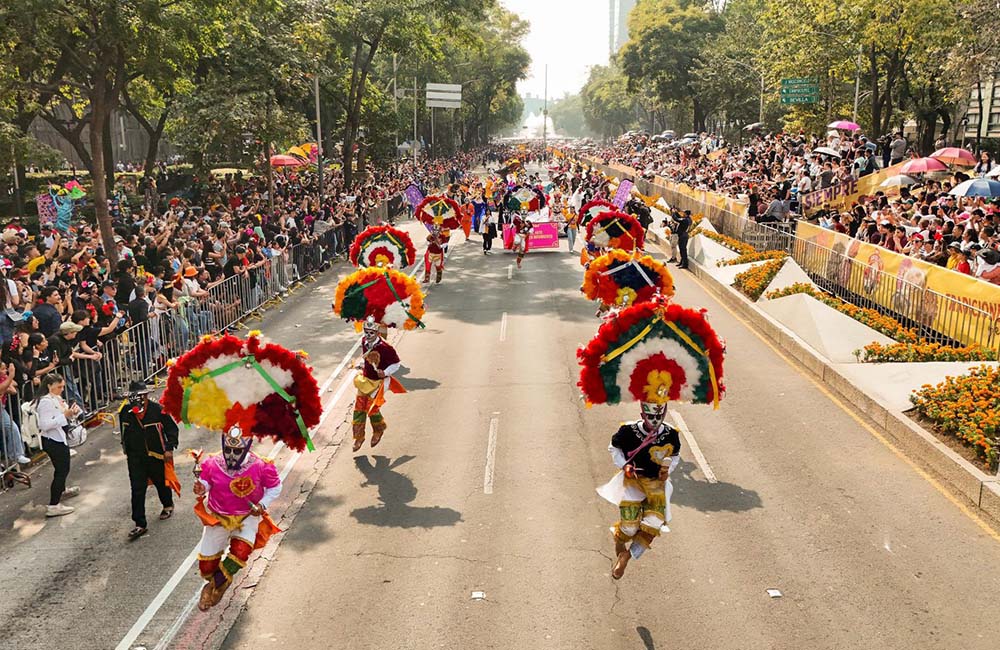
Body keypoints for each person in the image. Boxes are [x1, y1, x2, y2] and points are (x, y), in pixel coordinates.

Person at [193, 426, 282, 611]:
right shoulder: (212, 463)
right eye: (228, 450)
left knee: (240, 552)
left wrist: (262, 505)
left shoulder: (261, 466)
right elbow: (206, 482)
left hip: (246, 518)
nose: (232, 455)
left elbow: (275, 487)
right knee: (206, 567)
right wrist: (201, 487)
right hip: (218, 517)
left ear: (247, 447)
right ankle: (219, 582)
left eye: (237, 451)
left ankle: (212, 587)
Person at [606, 401, 681, 579]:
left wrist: (667, 471)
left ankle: (625, 558)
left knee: (653, 525)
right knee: (630, 528)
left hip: (656, 486)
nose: (654, 421)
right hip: (633, 484)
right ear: (642, 415)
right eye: (650, 416)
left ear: (663, 415)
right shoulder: (628, 431)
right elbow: (614, 448)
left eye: (658, 417)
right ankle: (619, 538)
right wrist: (624, 466)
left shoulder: (671, 433)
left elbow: (675, 456)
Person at [120, 381, 179, 540]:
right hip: (135, 457)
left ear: (145, 396)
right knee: (137, 488)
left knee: (161, 482)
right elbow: (124, 433)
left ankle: (167, 504)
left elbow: (172, 430)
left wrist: (168, 448)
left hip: (156, 455)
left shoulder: (158, 411)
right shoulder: (125, 412)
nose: (137, 399)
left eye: (140, 396)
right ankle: (140, 523)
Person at [352, 317, 401, 452]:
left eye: (371, 333)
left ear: (378, 333)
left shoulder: (386, 348)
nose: (368, 336)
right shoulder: (364, 341)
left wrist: (385, 372)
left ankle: (378, 430)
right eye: (366, 332)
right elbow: (366, 358)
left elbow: (396, 364)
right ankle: (358, 437)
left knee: (371, 408)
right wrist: (361, 365)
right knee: (359, 408)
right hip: (365, 380)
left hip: (378, 383)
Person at [36, 373, 81, 517]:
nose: (62, 389)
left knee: (62, 469)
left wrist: (72, 413)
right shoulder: (45, 402)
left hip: (59, 438)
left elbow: (64, 415)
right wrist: (65, 416)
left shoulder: (56, 398)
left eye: (62, 386)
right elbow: (45, 424)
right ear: (49, 386)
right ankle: (54, 505)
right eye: (59, 387)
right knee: (61, 470)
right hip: (52, 440)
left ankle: (61, 491)